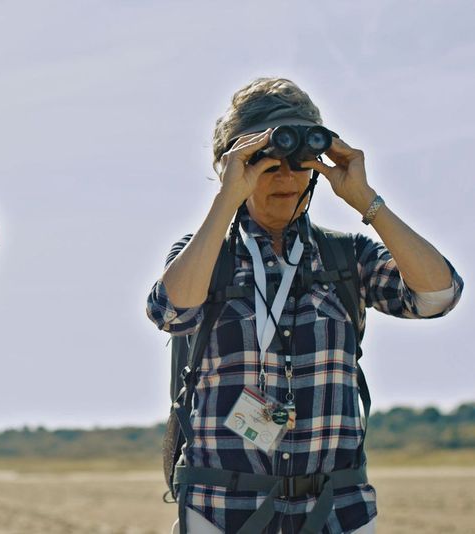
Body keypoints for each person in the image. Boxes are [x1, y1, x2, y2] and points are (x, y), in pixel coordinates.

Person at [146, 78, 463, 534]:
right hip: (222, 512)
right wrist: (226, 198)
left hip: (335, 511)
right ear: (234, 166)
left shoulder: (345, 258)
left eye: (299, 162)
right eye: (266, 162)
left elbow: (439, 295)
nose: (286, 176)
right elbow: (170, 312)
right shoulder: (205, 257)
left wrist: (365, 201)